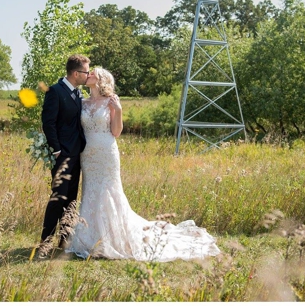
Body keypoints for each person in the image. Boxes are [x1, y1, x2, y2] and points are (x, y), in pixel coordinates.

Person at [66, 67, 221, 262]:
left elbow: (116, 131)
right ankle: (89, 239)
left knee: (109, 191)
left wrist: (119, 110)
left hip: (107, 152)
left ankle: (114, 239)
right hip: (88, 155)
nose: (88, 74)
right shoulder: (82, 102)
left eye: (92, 72)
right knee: (90, 191)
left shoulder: (111, 101)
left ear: (102, 79)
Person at [40, 54, 91, 250]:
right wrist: (56, 150)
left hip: (77, 154)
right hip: (62, 155)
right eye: (86, 72)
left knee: (71, 199)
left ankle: (64, 241)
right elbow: (48, 122)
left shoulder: (78, 94)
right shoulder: (55, 91)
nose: (88, 75)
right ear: (76, 73)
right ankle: (45, 241)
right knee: (58, 197)